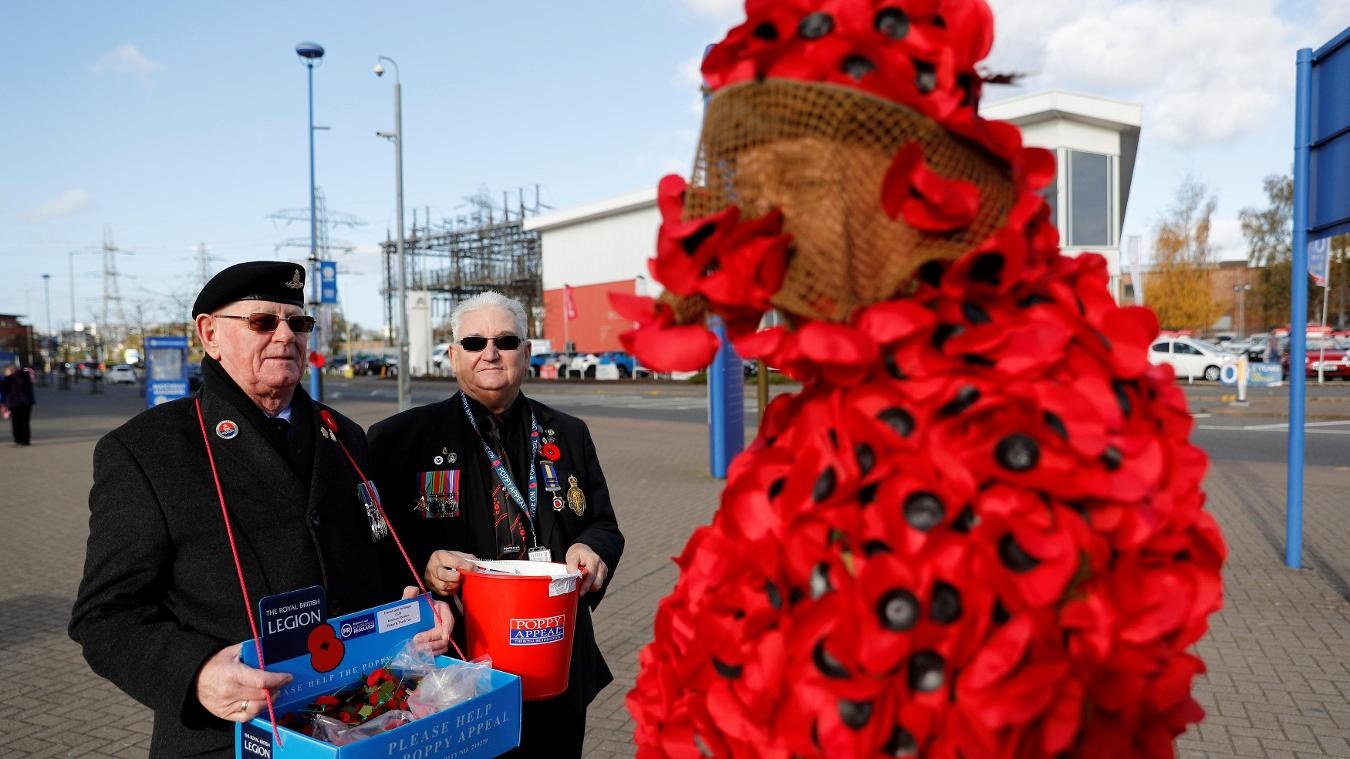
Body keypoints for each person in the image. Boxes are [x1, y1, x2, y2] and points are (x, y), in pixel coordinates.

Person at [620, 1, 1225, 756]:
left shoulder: (1053, 397)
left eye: (801, 180)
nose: (773, 221)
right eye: (758, 184)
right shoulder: (824, 405)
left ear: (909, 177)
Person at [70, 261, 450, 758]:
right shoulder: (147, 451)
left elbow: (379, 556)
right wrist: (198, 673)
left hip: (361, 722)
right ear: (210, 334)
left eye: (298, 322)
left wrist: (416, 606)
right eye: (262, 322)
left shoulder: (345, 435)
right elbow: (105, 616)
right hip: (231, 736)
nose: (285, 335)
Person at [368, 291, 624, 759]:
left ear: (526, 353)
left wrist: (594, 550)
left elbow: (604, 524)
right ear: (452, 355)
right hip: (457, 667)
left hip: (554, 660)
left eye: (505, 340)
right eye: (473, 342)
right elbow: (378, 548)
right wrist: (422, 569)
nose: (490, 352)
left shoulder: (568, 433)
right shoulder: (398, 440)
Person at [0, 363, 35, 446]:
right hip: (27, 402)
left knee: (16, 422)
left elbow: (3, 388)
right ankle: (26, 440)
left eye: (5, 371)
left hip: (15, 403)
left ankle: (18, 440)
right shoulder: (25, 376)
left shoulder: (9, 378)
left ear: (9, 370)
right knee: (25, 422)